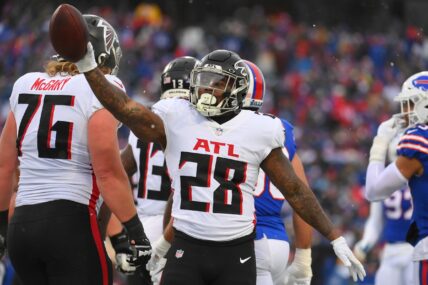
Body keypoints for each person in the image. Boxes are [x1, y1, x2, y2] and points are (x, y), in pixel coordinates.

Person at [72, 45, 365, 284]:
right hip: (187, 247)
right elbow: (124, 108)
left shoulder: (257, 129)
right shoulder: (177, 117)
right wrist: (88, 68)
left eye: (218, 85)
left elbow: (295, 190)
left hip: (237, 254)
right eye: (204, 82)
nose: (207, 91)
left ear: (237, 91)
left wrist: (334, 236)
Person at [0, 14, 151, 285]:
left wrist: (1, 228)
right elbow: (107, 172)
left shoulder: (25, 83)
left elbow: (4, 165)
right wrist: (135, 232)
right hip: (70, 224)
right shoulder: (101, 89)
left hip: (21, 229)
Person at [107, 56, 200, 285]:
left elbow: (119, 171)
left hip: (143, 229)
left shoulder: (146, 115)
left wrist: (118, 233)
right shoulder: (199, 121)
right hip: (177, 227)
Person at [242, 60, 313, 285]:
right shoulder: (280, 129)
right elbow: (302, 197)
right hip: (278, 243)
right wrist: (303, 256)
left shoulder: (226, 131)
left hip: (244, 240)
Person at [365, 71, 428, 284]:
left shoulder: (418, 140)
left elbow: (373, 191)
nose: (406, 111)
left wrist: (379, 145)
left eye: (411, 103)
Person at [354, 133, 413, 285]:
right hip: (390, 250)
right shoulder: (384, 181)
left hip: (416, 249)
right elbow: (375, 221)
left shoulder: (421, 179)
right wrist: (366, 243)